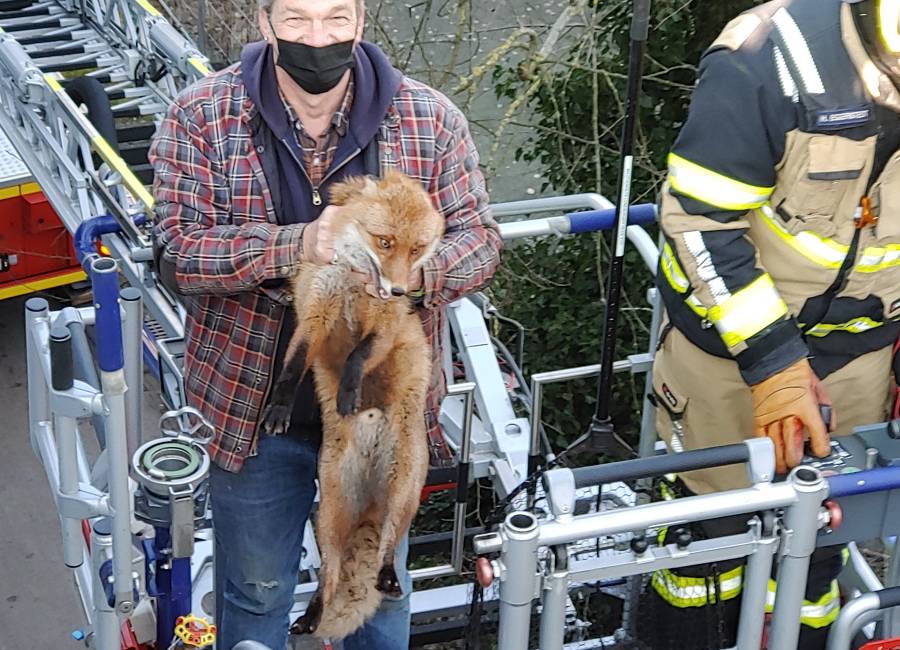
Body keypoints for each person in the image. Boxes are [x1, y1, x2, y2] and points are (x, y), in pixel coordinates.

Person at [148, 0, 503, 647]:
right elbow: (177, 253)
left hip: (382, 412)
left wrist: (409, 272)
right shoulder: (201, 117)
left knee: (377, 585)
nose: (319, 38)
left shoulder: (429, 120)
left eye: (336, 18)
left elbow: (481, 241)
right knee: (255, 590)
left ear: (362, 22)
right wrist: (297, 244)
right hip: (252, 413)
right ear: (264, 23)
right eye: (297, 20)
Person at [643, 0, 900, 647]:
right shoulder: (768, 58)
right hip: (730, 355)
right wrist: (774, 363)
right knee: (710, 531)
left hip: (861, 359)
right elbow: (698, 223)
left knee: (820, 542)